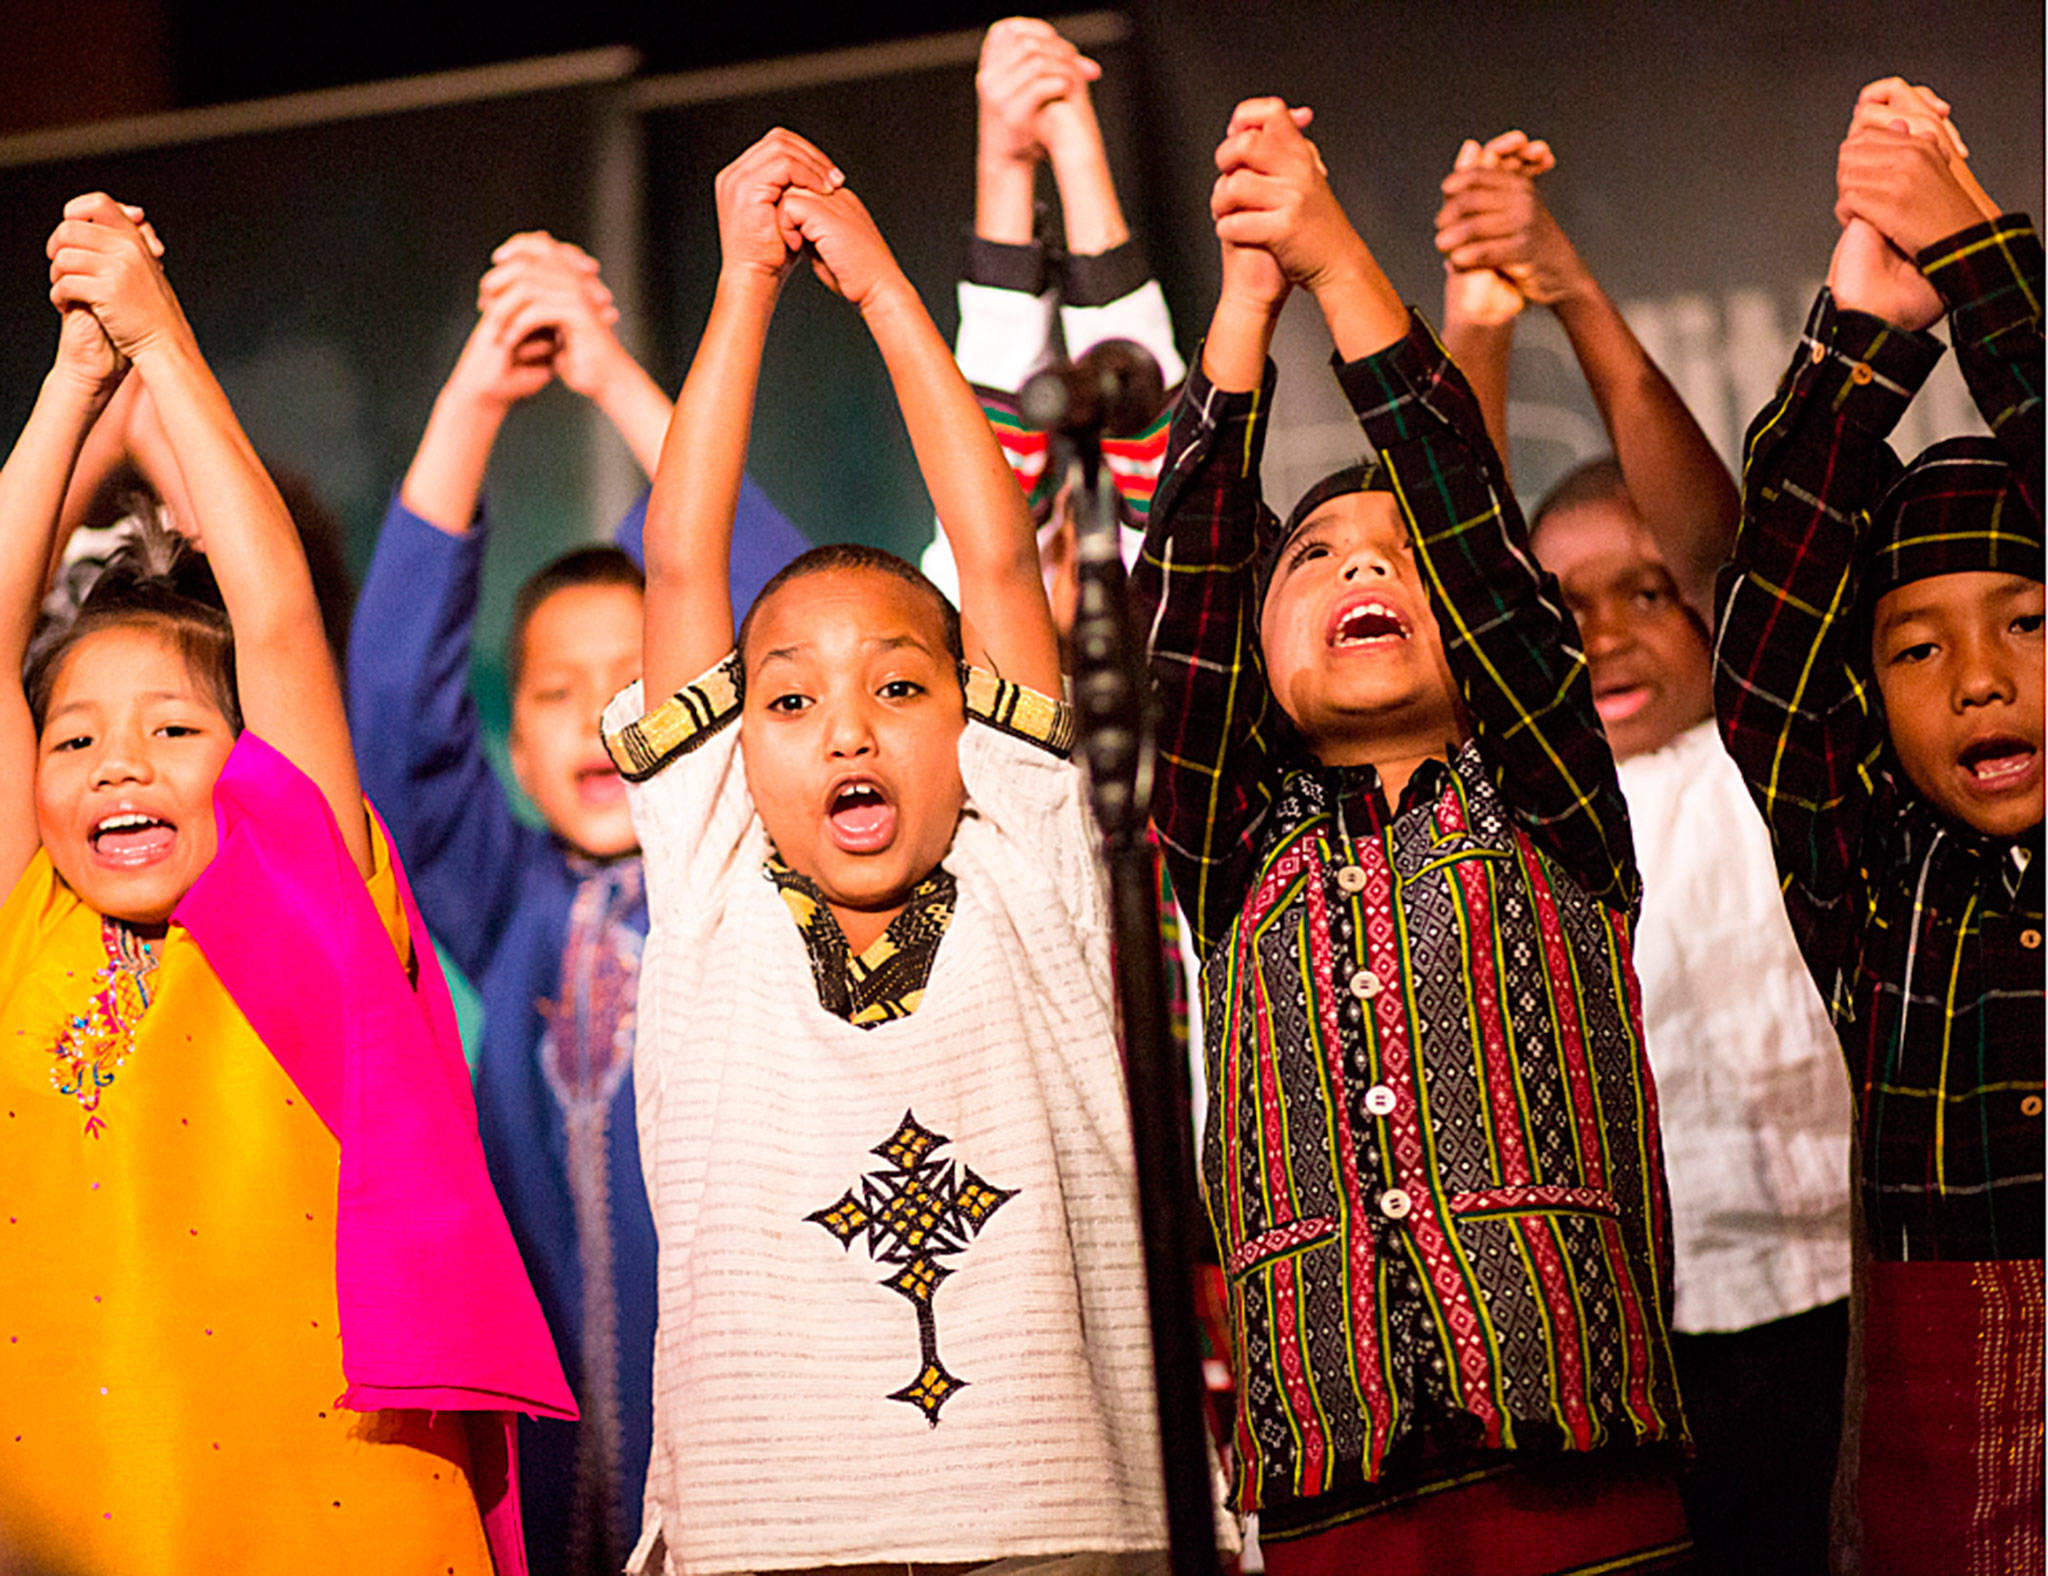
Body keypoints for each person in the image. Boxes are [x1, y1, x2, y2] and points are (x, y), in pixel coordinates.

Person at [1132, 100, 1688, 1574]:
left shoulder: (1550, 799)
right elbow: (1183, 603)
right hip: (1331, 1502)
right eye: (1312, 558)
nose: (1364, 562)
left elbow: (1464, 507)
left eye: (1398, 556)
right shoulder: (1232, 850)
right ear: (1264, 653)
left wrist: (1332, 257)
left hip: (1581, 1478)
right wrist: (1248, 299)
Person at [599, 128, 1166, 1573]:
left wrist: (886, 294)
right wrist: (741, 284)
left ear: (966, 717)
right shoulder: (714, 868)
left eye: (899, 687)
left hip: (1055, 1527)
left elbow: (993, 556)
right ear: (741, 739)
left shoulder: (1026, 852)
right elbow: (682, 558)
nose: (845, 728)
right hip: (770, 1538)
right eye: (788, 698)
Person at [0, 193, 571, 1574]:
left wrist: (163, 343)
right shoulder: (31, 916)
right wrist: (76, 380)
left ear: (249, 761)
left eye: (174, 731)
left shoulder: (296, 906)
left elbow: (274, 619)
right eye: (73, 738)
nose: (117, 767)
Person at [347, 231, 805, 1575]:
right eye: (557, 692)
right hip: (554, 1465)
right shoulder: (506, 896)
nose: (607, 717)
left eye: (635, 680)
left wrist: (608, 375)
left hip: (757, 1449)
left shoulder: (750, 876)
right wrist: (477, 397)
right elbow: (392, 705)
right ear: (515, 736)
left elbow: (776, 603)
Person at [1436, 135, 1854, 1574]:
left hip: (1841, 1286)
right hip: (1645, 1317)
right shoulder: (1540, 803)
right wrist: (1478, 330)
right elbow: (1460, 560)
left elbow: (1709, 534)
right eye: (1571, 611)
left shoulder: (1766, 747)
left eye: (1647, 598)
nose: (1607, 634)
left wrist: (1569, 293)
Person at [1714, 79, 2042, 1576]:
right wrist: (1862, 322)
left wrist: (1977, 248)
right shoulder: (1880, 884)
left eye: (2031, 624)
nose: (1979, 680)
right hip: (1951, 1486)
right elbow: (1773, 632)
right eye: (1916, 652)